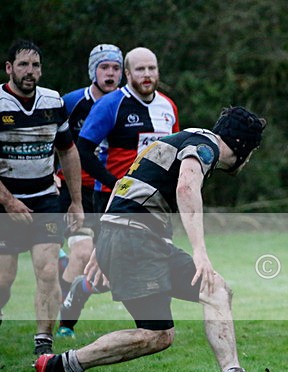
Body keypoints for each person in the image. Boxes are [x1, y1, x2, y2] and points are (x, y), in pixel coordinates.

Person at [34, 106, 288, 372]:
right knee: (157, 332)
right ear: (242, 148)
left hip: (134, 238)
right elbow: (186, 187)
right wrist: (199, 250)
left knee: (212, 296)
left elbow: (123, 185)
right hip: (136, 240)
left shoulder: (177, 140)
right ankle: (60, 366)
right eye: (251, 153)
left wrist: (101, 246)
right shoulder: (206, 145)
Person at [59, 47, 180, 331]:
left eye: (152, 68)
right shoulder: (112, 104)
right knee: (119, 268)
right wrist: (117, 184)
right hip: (115, 201)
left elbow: (172, 152)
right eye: (140, 69)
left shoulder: (168, 107)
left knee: (158, 256)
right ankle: (84, 296)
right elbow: (83, 150)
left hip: (155, 203)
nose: (147, 75)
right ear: (128, 74)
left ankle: (151, 322)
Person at [0, 40, 84, 354]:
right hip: (4, 203)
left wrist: (75, 201)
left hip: (45, 199)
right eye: (23, 64)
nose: (30, 71)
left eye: (35, 65)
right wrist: (9, 202)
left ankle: (43, 345)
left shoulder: (53, 102)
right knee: (3, 280)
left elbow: (68, 151)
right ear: (9, 68)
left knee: (48, 270)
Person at [55, 43, 124, 338]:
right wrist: (50, 175)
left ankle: (64, 269)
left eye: (116, 68)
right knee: (83, 254)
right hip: (71, 190)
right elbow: (47, 138)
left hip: (105, 192)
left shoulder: (125, 104)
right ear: (92, 71)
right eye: (104, 67)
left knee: (104, 266)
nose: (110, 73)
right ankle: (63, 321)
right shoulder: (71, 102)